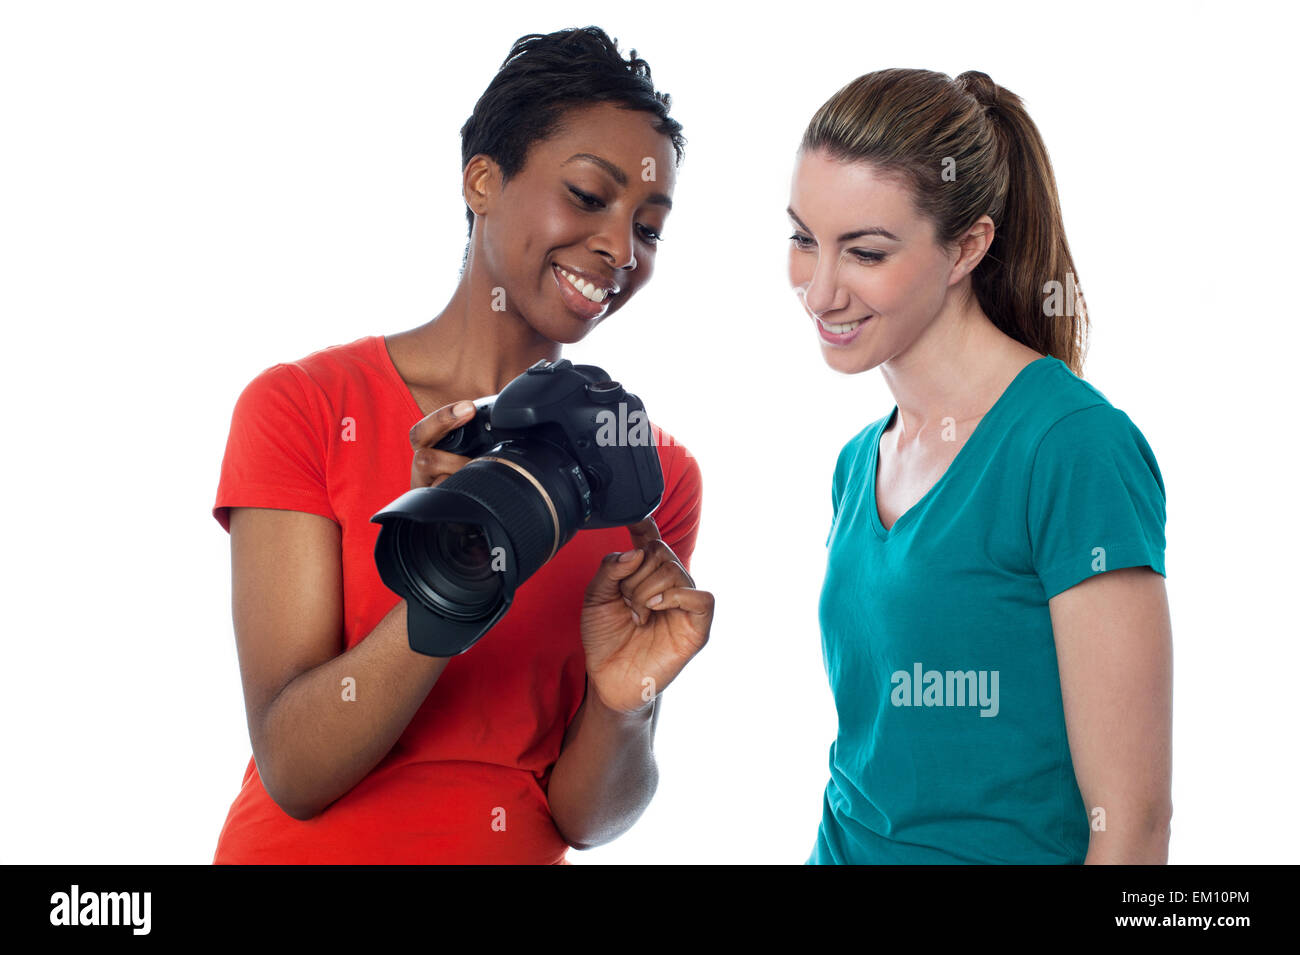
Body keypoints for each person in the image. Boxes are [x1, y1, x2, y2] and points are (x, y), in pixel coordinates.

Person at [210, 26, 713, 864]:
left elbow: (588, 816)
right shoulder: (302, 405)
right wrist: (450, 576)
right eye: (590, 195)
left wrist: (626, 703)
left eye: (650, 228)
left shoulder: (647, 472)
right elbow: (295, 768)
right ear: (483, 180)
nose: (621, 250)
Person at [789, 69, 1172, 864]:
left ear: (968, 246)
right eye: (802, 239)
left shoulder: (1073, 449)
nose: (819, 290)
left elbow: (1133, 825)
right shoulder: (861, 461)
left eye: (863, 251)